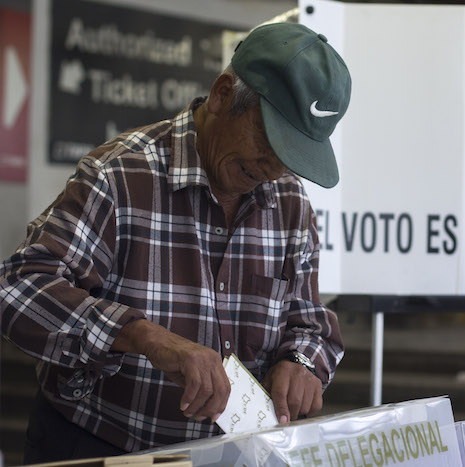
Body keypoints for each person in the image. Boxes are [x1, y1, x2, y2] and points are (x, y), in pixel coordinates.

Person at [0, 22, 350, 462]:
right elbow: (18, 289)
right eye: (270, 142)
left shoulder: (289, 202)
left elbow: (310, 322)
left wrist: (301, 362)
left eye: (292, 157)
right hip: (100, 446)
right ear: (224, 95)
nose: (273, 169)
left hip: (227, 455)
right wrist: (141, 335)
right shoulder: (119, 175)